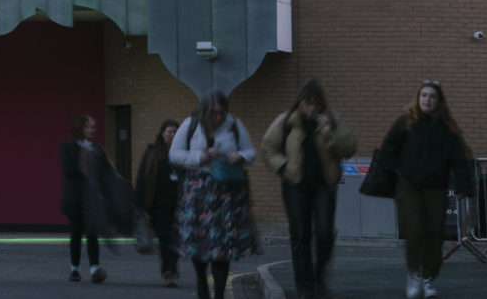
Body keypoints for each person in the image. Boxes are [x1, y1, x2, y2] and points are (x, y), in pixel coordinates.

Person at [378, 82, 475, 299]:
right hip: (409, 185)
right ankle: (414, 273)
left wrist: (463, 186)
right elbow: (388, 147)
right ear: (417, 98)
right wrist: (395, 170)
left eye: (432, 96)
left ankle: (429, 276)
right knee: (414, 229)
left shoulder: (447, 128)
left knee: (435, 231)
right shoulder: (406, 123)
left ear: (439, 101)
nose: (427, 100)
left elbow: (460, 159)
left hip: (436, 186)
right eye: (423, 95)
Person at [261, 82, 357, 299]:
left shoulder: (332, 120)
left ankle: (319, 278)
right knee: (300, 235)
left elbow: (350, 148)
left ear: (321, 104)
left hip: (324, 186)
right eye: (307, 104)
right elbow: (268, 148)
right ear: (300, 102)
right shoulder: (287, 121)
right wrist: (283, 166)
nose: (311, 109)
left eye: (315, 104)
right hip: (295, 186)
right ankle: (305, 289)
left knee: (324, 233)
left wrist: (329, 134)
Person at [172, 90, 259, 299]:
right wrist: (199, 156)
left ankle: (219, 294)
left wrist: (239, 156)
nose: (218, 117)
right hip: (197, 191)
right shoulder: (190, 124)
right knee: (198, 243)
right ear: (205, 111)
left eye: (222, 112)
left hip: (226, 194)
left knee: (223, 247)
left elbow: (250, 152)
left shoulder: (234, 125)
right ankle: (202, 283)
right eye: (214, 113)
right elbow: (174, 154)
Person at [133, 119, 184, 287]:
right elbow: (143, 177)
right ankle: (168, 271)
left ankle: (172, 267)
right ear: (162, 133)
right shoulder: (153, 153)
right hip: (158, 204)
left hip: (179, 203)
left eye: (175, 132)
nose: (172, 135)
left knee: (177, 239)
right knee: (164, 238)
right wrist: (140, 203)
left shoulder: (183, 153)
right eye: (169, 132)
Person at [63, 114, 110, 283]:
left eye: (93, 127)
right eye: (89, 127)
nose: (92, 130)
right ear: (80, 128)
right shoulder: (69, 148)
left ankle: (94, 268)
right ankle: (74, 269)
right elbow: (69, 170)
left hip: (92, 198)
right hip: (75, 198)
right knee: (76, 234)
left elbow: (105, 170)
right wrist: (85, 157)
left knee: (92, 233)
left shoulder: (97, 148)